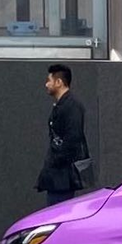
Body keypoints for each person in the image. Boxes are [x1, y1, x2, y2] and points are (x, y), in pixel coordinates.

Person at [35, 63, 88, 208]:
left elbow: (73, 138)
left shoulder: (72, 106)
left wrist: (56, 160)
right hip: (57, 177)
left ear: (59, 82)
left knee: (59, 215)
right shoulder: (63, 105)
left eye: (49, 80)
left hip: (63, 178)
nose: (46, 84)